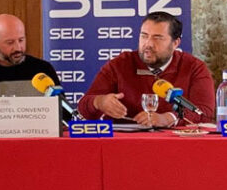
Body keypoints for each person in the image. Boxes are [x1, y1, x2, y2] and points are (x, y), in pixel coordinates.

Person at [78, 12, 215, 126]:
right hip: (124, 144)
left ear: (175, 43)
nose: (148, 44)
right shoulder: (119, 64)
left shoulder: (194, 68)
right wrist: (99, 102)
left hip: (174, 144)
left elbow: (205, 112)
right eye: (144, 36)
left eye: (157, 38)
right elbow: (83, 108)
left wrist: (168, 118)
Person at [0, 14, 60, 120]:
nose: (18, 48)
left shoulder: (43, 69)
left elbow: (61, 113)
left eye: (21, 40)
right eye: (10, 42)